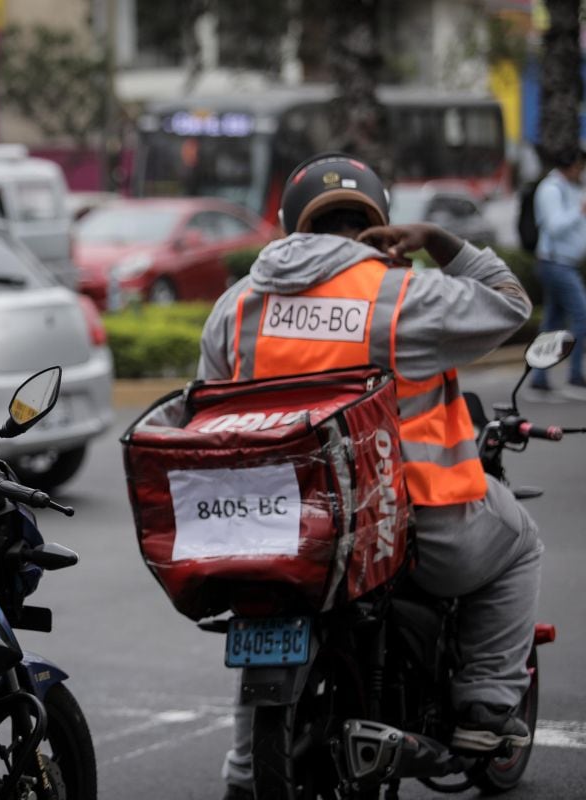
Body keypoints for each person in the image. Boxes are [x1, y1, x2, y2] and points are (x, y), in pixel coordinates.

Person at [198, 153, 543, 800]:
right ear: (381, 225)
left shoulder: (239, 305)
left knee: (267, 621)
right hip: (406, 529)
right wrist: (441, 242)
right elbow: (512, 305)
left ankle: (246, 770)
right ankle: (485, 713)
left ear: (287, 225)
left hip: (281, 526)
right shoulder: (407, 294)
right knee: (520, 546)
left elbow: (207, 405)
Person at [529, 146, 586, 399]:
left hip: (564, 263)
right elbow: (554, 226)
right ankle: (575, 376)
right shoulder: (551, 189)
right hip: (556, 264)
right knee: (582, 316)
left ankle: (539, 378)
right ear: (570, 165)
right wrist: (579, 211)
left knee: (552, 323)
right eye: (579, 166)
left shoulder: (569, 188)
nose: (581, 171)